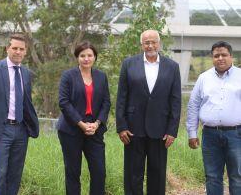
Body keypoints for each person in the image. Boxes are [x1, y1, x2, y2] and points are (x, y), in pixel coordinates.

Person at [116, 29, 181, 195]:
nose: (150, 45)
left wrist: (172, 130)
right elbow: (122, 97)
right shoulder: (129, 64)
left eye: (153, 42)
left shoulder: (172, 67)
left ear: (159, 43)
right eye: (147, 42)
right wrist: (121, 126)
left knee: (157, 175)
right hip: (132, 129)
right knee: (132, 174)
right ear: (142, 44)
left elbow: (175, 100)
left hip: (160, 130)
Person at [0, 33, 39, 195]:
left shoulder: (25, 73)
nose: (18, 52)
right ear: (7, 49)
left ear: (26, 51)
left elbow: (27, 102)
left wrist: (30, 126)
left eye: (21, 49)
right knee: (0, 173)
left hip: (20, 131)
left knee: (15, 175)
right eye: (15, 48)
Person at [187, 41, 241, 195]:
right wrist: (192, 133)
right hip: (210, 135)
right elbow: (193, 105)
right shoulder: (203, 78)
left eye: (224, 55)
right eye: (216, 55)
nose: (220, 58)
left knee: (237, 176)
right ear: (212, 58)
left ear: (231, 56)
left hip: (237, 135)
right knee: (212, 176)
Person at [57, 41, 111, 195]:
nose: (86, 58)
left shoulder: (101, 76)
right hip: (71, 130)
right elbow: (64, 102)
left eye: (89, 55)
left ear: (94, 57)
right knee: (73, 172)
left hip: (94, 130)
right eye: (82, 55)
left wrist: (97, 123)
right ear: (77, 57)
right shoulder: (68, 76)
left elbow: (106, 102)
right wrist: (81, 124)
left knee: (99, 171)